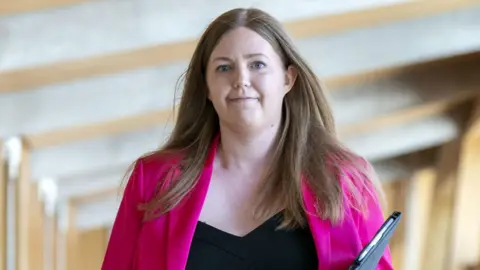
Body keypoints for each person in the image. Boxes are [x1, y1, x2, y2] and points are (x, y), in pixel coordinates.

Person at [102, 7, 393, 270]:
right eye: (224, 67)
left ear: (288, 79)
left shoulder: (345, 180)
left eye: (257, 65)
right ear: (206, 87)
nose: (241, 79)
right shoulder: (153, 181)